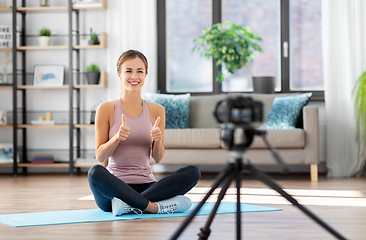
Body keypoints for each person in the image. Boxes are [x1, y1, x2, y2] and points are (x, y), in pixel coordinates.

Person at [88, 49, 201, 216]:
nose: (134, 76)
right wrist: (117, 138)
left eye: (140, 71)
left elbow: (158, 158)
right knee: (95, 172)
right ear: (119, 74)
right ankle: (152, 207)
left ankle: (129, 206)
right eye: (128, 71)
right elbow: (100, 156)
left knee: (193, 172)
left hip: (147, 185)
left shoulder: (157, 110)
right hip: (114, 189)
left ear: (146, 74)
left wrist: (157, 140)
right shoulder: (106, 109)